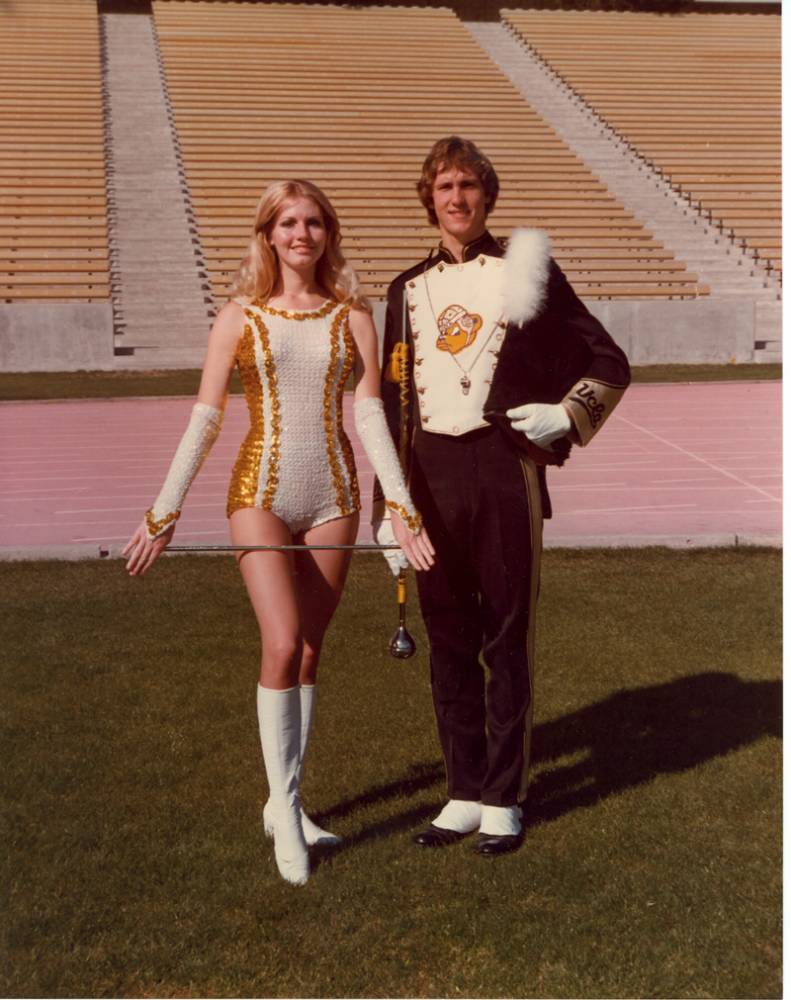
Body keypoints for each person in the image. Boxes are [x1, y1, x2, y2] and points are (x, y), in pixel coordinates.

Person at [123, 179, 434, 886]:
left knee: (310, 652)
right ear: (267, 234)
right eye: (288, 222)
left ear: (329, 233)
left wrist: (402, 508)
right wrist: (162, 511)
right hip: (258, 492)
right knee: (281, 641)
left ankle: (283, 804)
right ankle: (287, 816)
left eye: (314, 221)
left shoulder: (352, 315)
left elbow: (370, 418)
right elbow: (206, 418)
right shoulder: (238, 316)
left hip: (334, 494)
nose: (302, 233)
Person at [374, 136, 630, 856]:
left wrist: (567, 415)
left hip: (500, 470)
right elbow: (392, 405)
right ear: (427, 198)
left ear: (487, 194)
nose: (456, 199)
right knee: (447, 636)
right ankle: (461, 789)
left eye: (468, 186)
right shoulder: (403, 288)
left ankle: (503, 795)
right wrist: (387, 510)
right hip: (427, 476)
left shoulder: (528, 269)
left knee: (505, 634)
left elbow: (607, 360)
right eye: (444, 187)